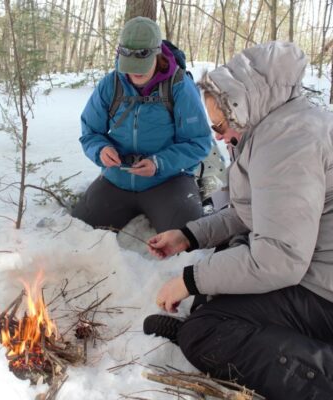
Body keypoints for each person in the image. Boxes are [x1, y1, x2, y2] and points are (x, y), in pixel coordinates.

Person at [143, 41, 333, 400]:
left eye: (219, 123)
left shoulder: (288, 143)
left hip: (323, 289)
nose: (216, 134)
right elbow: (257, 210)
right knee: (214, 296)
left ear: (243, 107)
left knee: (207, 331)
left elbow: (279, 259)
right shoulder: (276, 126)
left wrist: (189, 279)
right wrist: (188, 235)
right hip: (315, 268)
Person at [72, 17, 211, 233]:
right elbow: (90, 132)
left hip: (168, 181)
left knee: (185, 238)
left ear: (157, 54)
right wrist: (101, 150)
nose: (135, 72)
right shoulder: (111, 84)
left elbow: (199, 142)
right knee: (79, 231)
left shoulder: (179, 86)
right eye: (130, 66)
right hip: (117, 180)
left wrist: (159, 163)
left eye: (142, 66)